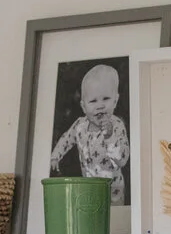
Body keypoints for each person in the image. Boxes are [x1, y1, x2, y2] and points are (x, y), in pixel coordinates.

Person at [51, 63, 129, 205]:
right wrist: (55, 156)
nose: (100, 105)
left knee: (115, 222)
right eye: (93, 101)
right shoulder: (80, 126)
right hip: (90, 188)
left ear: (115, 100)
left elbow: (122, 159)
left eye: (106, 99)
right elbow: (66, 139)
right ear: (83, 106)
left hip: (113, 191)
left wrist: (110, 136)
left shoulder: (116, 125)